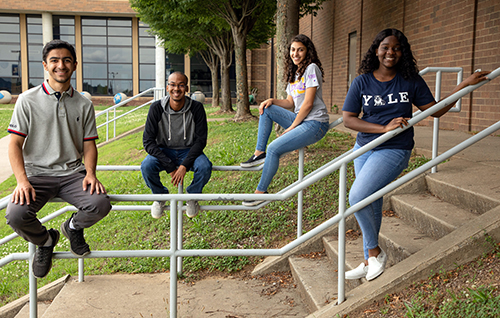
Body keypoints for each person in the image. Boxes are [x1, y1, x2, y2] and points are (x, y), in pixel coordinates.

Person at [342, 28, 490, 281]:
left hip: (394, 148)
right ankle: (370, 259)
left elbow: (435, 111)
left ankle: (375, 252)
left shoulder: (409, 80)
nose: (391, 52)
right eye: (386, 47)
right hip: (364, 148)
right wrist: (382, 128)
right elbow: (348, 119)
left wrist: (463, 85)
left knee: (357, 196)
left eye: (397, 48)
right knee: (369, 200)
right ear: (376, 50)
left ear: (403, 52)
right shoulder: (362, 81)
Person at [5, 39, 112, 279]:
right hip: (36, 175)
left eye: (66, 60)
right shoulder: (27, 100)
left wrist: (91, 173)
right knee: (16, 215)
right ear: (45, 65)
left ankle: (72, 228)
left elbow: (89, 145)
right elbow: (14, 144)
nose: (60, 65)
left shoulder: (84, 103)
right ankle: (46, 241)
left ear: (74, 65)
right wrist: (22, 181)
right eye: (54, 60)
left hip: (72, 174)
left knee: (100, 204)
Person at [240, 34, 330, 206]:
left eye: (300, 50)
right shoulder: (295, 73)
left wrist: (292, 127)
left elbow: (308, 104)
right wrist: (272, 100)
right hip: (302, 121)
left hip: (316, 123)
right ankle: (259, 154)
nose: (295, 53)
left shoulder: (311, 68)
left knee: (274, 148)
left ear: (307, 51)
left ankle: (261, 193)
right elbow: (290, 102)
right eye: (293, 50)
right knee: (267, 109)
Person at [141, 71, 212, 219]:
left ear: (186, 88)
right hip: (164, 151)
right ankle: (160, 197)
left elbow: (201, 140)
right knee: (146, 166)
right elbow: (148, 141)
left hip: (189, 150)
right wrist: (170, 166)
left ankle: (191, 197)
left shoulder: (197, 108)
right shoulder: (156, 108)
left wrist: (184, 165)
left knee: (205, 167)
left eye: (181, 85)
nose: (176, 89)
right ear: (167, 88)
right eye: (172, 85)